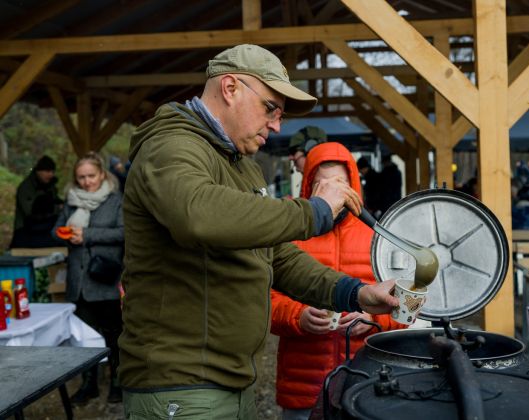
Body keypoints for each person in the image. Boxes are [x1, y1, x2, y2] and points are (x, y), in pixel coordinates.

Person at [118, 44, 399, 419]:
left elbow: (278, 256)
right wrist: (314, 212)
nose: (277, 125)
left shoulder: (241, 165)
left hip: (231, 381)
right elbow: (198, 215)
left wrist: (356, 293)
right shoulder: (171, 147)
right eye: (270, 108)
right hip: (182, 384)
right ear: (230, 88)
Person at [271, 143, 406, 420]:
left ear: (354, 185)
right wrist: (298, 316)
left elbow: (408, 308)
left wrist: (373, 319)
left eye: (341, 183)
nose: (335, 192)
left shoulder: (379, 239)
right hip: (303, 388)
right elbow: (262, 303)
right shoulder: (290, 234)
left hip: (366, 385)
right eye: (324, 184)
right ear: (309, 187)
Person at [52, 152, 124, 404]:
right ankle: (89, 384)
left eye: (91, 176)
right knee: (84, 337)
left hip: (105, 279)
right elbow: (54, 230)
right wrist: (64, 234)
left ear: (102, 174)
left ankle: (118, 383)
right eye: (81, 177)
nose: (86, 182)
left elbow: (125, 233)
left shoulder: (115, 201)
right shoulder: (71, 201)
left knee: (114, 336)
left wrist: (88, 235)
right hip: (78, 281)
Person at [10, 155, 63, 248]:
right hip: (25, 231)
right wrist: (56, 208)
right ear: (38, 171)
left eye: (52, 172)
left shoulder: (50, 187)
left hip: (46, 230)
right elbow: (30, 211)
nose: (51, 175)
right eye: (47, 171)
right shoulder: (26, 187)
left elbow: (56, 201)